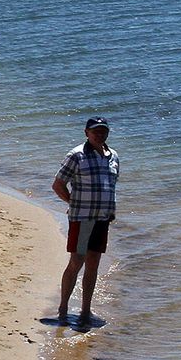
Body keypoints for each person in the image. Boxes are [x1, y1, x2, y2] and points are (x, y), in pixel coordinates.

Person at [53, 117, 119, 325]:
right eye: (95, 131)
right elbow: (58, 184)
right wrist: (73, 203)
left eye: (103, 131)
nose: (99, 135)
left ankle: (85, 311)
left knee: (93, 264)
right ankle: (63, 308)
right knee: (76, 262)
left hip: (102, 219)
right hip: (82, 219)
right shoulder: (76, 155)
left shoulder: (113, 156)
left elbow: (111, 186)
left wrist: (111, 210)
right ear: (86, 133)